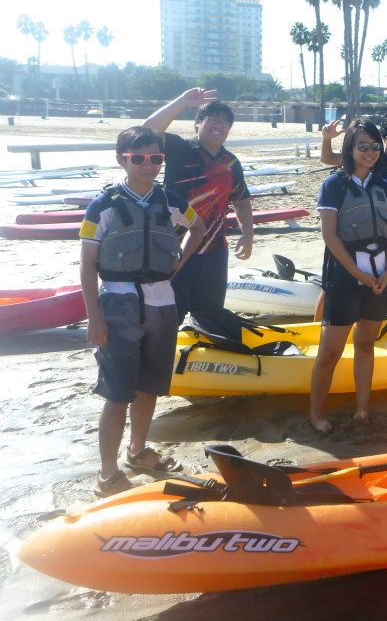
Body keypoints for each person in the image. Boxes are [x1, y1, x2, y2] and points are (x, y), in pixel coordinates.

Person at [79, 127, 206, 496]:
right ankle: (108, 474)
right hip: (118, 305)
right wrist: (94, 317)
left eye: (155, 158)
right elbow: (87, 265)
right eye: (139, 158)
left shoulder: (171, 201)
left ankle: (137, 452)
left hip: (162, 303)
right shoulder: (102, 206)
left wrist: (179, 261)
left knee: (150, 386)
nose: (148, 165)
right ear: (122, 159)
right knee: (118, 392)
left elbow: (197, 227)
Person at [310, 119, 387, 433]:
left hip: (378, 278)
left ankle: (363, 408)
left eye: (375, 147)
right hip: (345, 278)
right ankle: (316, 413)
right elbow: (330, 236)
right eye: (363, 146)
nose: (370, 153)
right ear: (350, 148)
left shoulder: (382, 184)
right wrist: (356, 272)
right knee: (330, 350)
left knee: (365, 344)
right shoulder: (334, 184)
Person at [143, 88, 254, 326]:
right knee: (167, 316)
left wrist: (248, 233)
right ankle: (162, 360)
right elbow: (146, 131)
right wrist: (182, 102)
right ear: (197, 123)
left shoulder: (231, 162)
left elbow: (241, 199)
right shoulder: (180, 149)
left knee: (210, 315)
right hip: (174, 248)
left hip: (214, 251)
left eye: (225, 122)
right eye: (213, 119)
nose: (219, 125)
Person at [315, 113, 387, 320]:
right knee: (328, 299)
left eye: (375, 147)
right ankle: (317, 331)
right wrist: (326, 139)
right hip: (348, 269)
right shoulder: (339, 180)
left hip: (378, 271)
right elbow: (328, 159)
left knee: (366, 341)